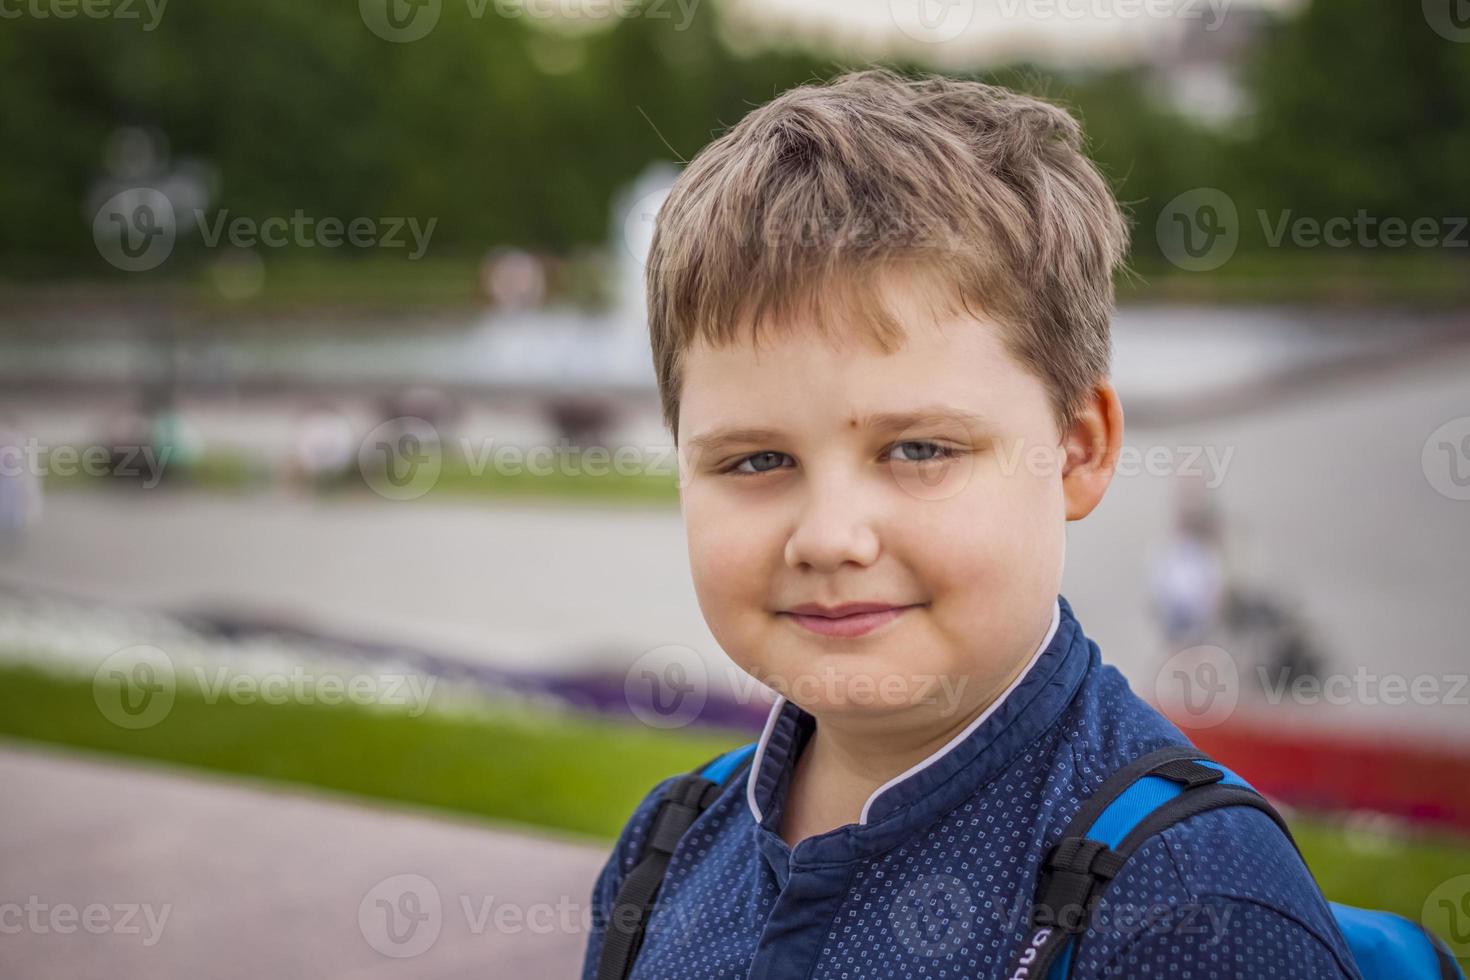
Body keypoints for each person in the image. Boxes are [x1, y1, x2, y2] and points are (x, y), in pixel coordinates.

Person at [582, 70, 1358, 979]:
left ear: (1076, 450)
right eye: (756, 461)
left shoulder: (1192, 910)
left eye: (918, 450)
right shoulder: (665, 847)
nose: (830, 538)